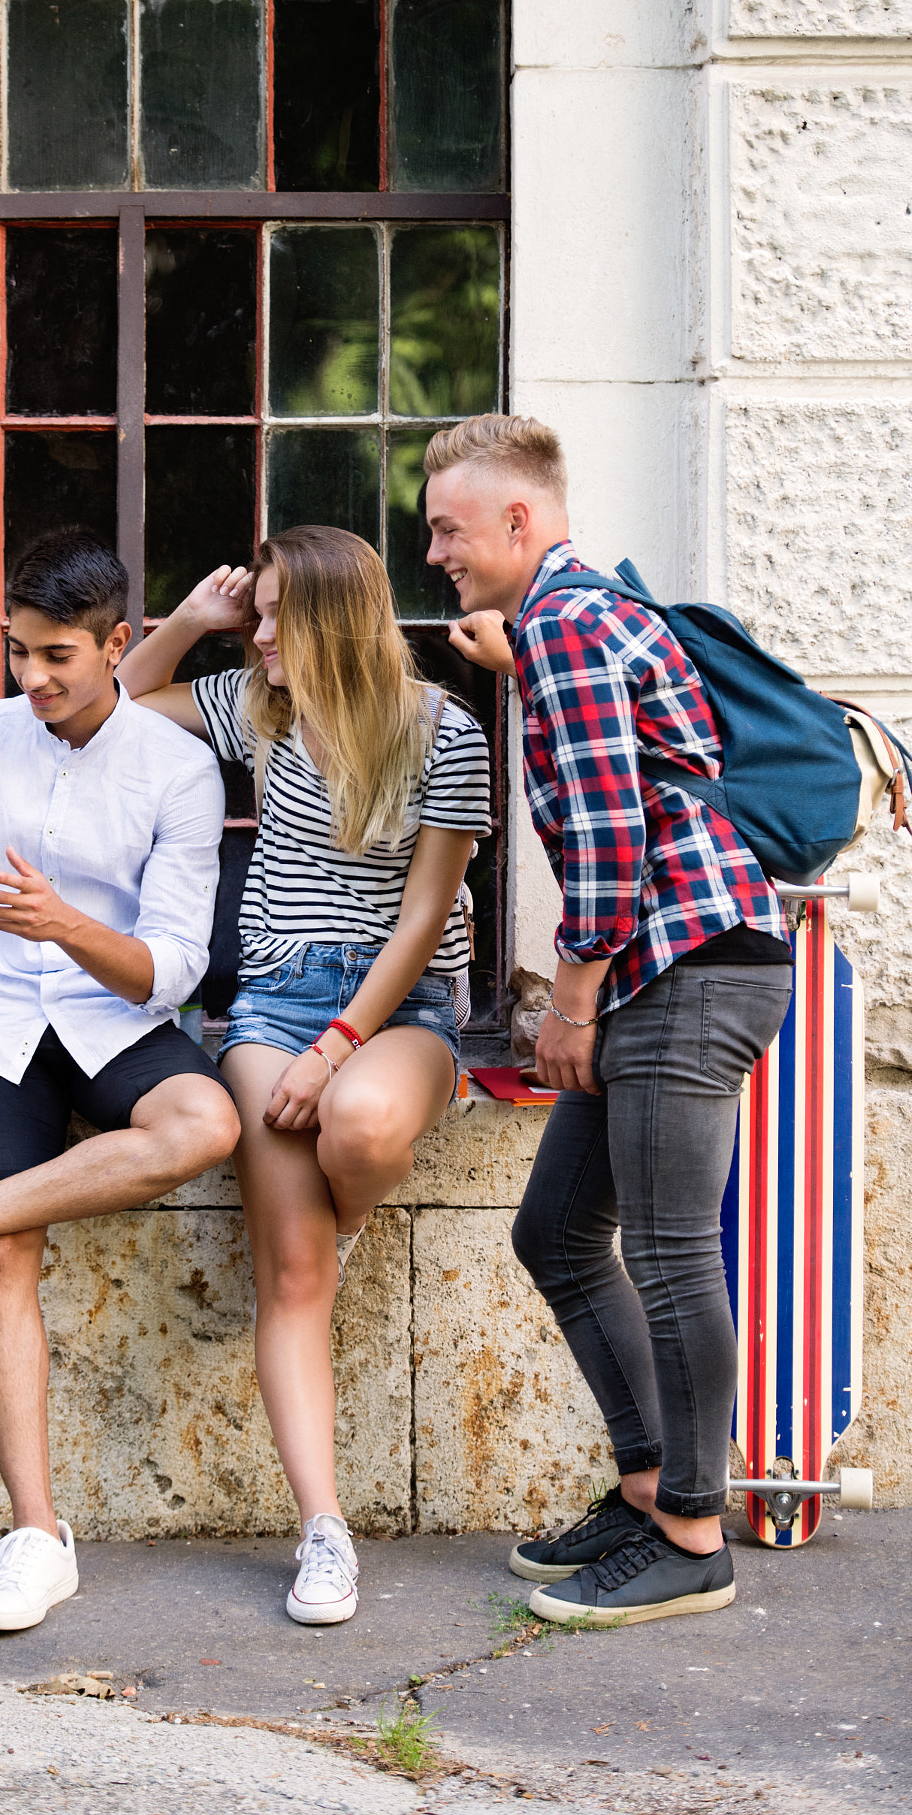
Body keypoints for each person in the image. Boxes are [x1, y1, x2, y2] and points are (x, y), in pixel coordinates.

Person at [426, 414, 793, 1627]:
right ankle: (647, 1487)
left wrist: (566, 1002)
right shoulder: (566, 625)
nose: (435, 553)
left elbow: (604, 838)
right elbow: (626, 771)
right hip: (670, 969)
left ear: (520, 522)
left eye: (450, 529)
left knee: (675, 1248)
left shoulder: (571, 626)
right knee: (558, 1231)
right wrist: (514, 659)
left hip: (683, 972)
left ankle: (693, 1529)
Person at [0, 530, 240, 1633]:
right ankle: (34, 1535)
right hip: (3, 1023)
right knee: (9, 1254)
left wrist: (64, 924)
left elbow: (174, 964)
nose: (33, 678)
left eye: (58, 654)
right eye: (19, 650)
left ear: (120, 642)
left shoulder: (178, 768)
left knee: (203, 1120)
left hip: (119, 1017)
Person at [119, 526, 490, 1626]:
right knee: (291, 1274)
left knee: (363, 1127)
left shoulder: (445, 731)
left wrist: (338, 1047)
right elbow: (119, 712)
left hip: (399, 1005)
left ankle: (344, 1202)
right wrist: (193, 621)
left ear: (334, 617)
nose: (262, 633)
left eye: (278, 614)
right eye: (259, 615)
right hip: (269, 1002)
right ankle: (323, 1529)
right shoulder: (257, 704)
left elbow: (424, 917)